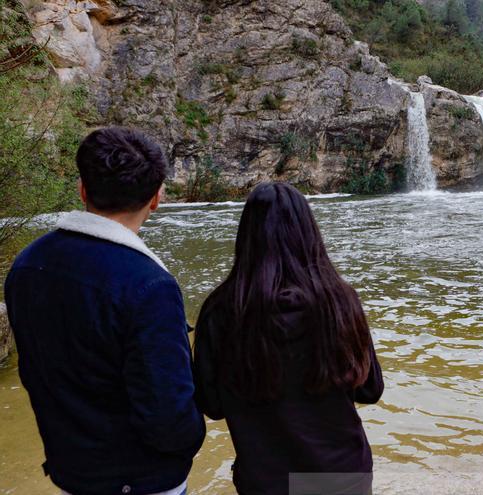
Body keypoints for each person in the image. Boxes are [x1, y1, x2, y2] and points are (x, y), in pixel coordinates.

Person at [3, 127, 205, 495]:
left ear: (82, 189)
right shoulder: (149, 285)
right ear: (156, 198)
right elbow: (169, 420)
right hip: (141, 481)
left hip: (70, 471)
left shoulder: (27, 265)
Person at [193, 182, 384, 495]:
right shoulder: (340, 301)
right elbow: (370, 390)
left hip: (266, 478)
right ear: (309, 233)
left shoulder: (221, 310)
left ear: (247, 237)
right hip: (342, 473)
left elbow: (212, 406)